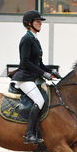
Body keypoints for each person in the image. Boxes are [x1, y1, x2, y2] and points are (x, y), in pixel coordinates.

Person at [11, 10, 61, 144]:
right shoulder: (26, 39)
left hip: (33, 77)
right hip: (25, 78)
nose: (40, 24)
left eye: (40, 22)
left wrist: (51, 72)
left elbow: (39, 63)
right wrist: (44, 74)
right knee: (39, 100)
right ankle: (29, 134)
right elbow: (25, 62)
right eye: (37, 21)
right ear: (29, 23)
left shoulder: (34, 39)